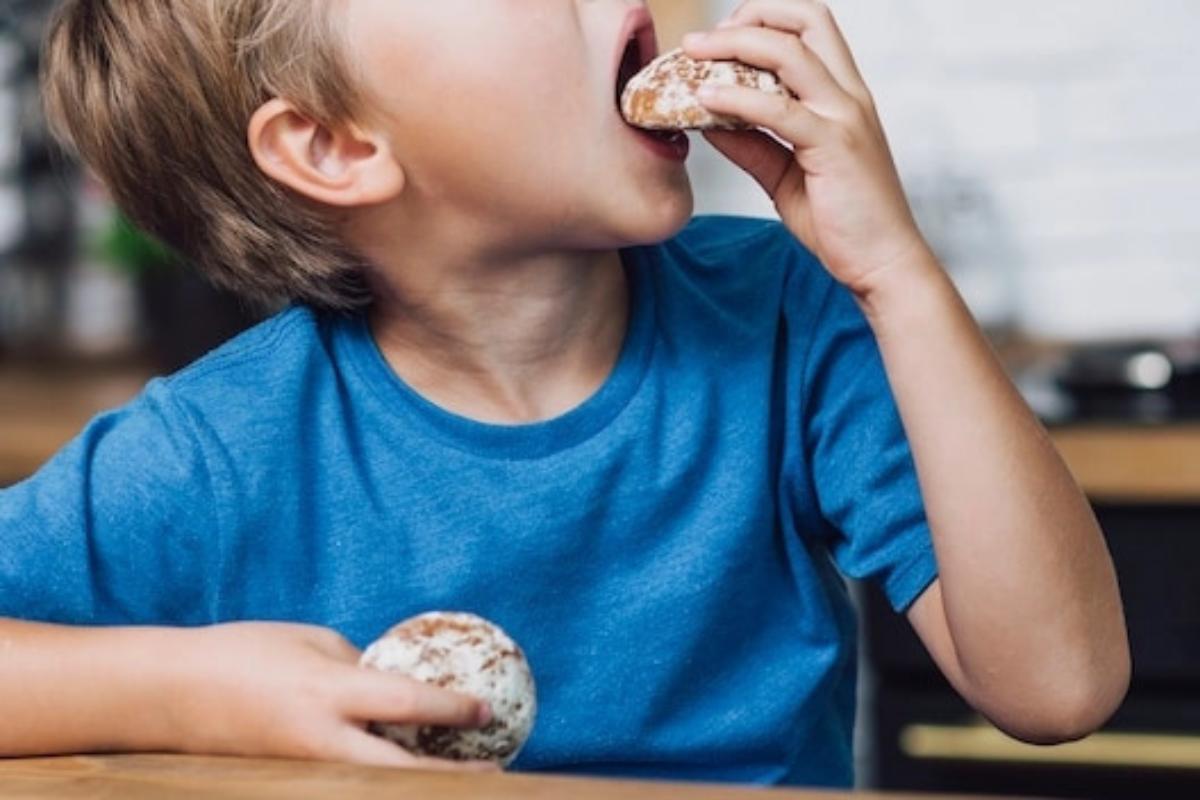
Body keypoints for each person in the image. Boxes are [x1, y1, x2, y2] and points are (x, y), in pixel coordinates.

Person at [0, 0, 1129, 788]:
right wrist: (196, 692)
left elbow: (1059, 685)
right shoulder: (217, 450)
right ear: (334, 145)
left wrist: (896, 271)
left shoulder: (790, 317)